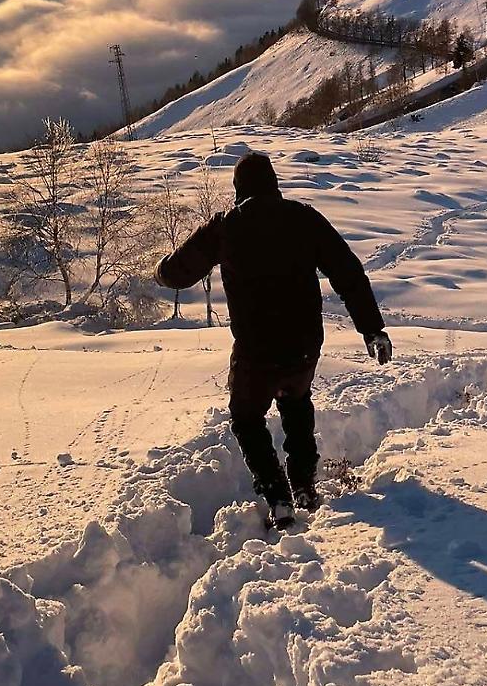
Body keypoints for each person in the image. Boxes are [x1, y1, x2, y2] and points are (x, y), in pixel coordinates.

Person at [155, 151, 392, 529]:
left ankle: (277, 494)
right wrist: (372, 328)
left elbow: (181, 270)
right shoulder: (304, 218)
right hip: (303, 347)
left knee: (247, 417)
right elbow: (348, 272)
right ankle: (304, 485)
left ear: (238, 189)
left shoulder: (227, 226)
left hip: (255, 352)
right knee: (296, 402)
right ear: (274, 184)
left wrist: (160, 273)